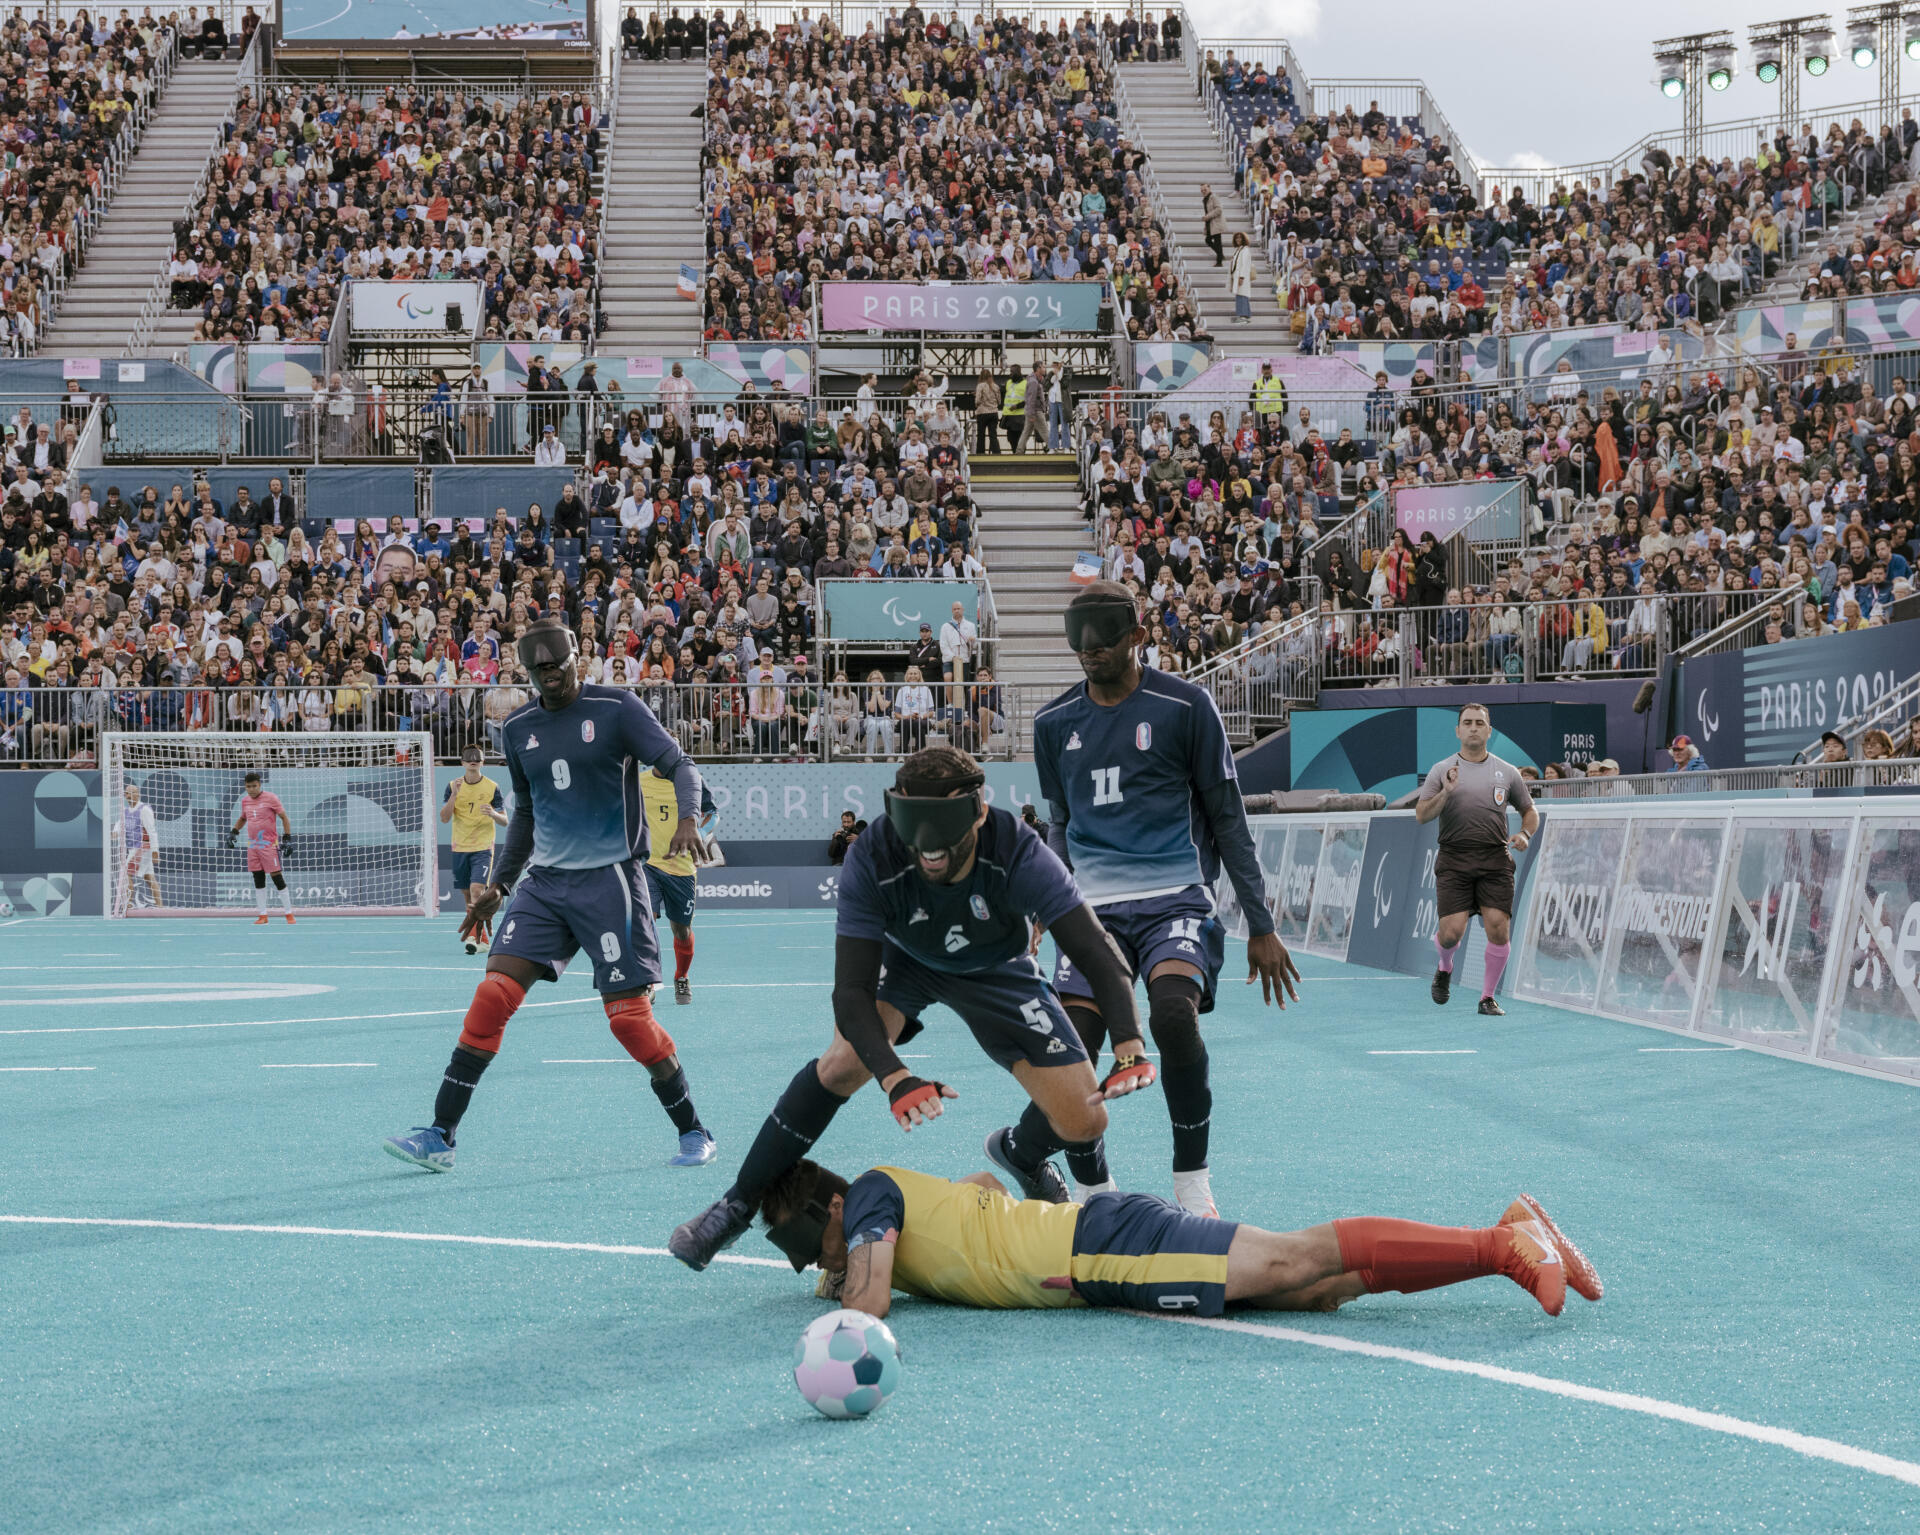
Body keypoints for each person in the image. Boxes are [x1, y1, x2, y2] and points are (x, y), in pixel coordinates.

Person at [667, 747, 1160, 1272]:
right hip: (907, 962)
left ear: (978, 811)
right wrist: (894, 1076)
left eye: (943, 833)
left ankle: (1030, 1158)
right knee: (842, 1062)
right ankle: (737, 1204)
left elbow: (1094, 950)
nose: (929, 853)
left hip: (998, 970)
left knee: (1085, 1118)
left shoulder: (1020, 850)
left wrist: (1129, 1039)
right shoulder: (873, 853)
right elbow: (850, 992)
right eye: (915, 830)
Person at [383, 617, 716, 1174]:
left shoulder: (618, 709)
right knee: (491, 997)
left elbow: (679, 764)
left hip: (611, 881)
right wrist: (501, 885)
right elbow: (529, 813)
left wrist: (688, 818)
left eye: (557, 667)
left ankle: (694, 1130)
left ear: (575, 660)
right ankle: (440, 1135)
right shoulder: (517, 730)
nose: (549, 678)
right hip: (544, 884)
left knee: (629, 1021)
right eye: (538, 672)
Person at [1034, 582, 1300, 1216]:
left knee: (1173, 1018)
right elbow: (1059, 826)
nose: (1091, 655)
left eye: (1103, 641)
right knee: (1077, 1048)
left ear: (1136, 636)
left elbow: (1227, 819)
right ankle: (1097, 1192)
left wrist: (1260, 925)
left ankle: (1192, 1183)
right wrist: (1043, 909)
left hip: (1175, 899)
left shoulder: (1185, 706)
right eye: (1081, 646)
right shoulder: (1052, 723)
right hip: (1089, 912)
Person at [757, 1158, 1602, 1322]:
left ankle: (1504, 1245)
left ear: (833, 1208)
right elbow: (976, 1190)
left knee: (1292, 1257)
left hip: (1105, 1245)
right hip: (1103, 1264)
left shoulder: (867, 1188)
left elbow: (867, 1304)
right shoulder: (889, 1205)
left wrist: (849, 1293)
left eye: (809, 1246)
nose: (813, 1264)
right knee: (1318, 1288)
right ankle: (1498, 1234)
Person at [1415, 703, 1538, 1017]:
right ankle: (1445, 968)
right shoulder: (1441, 770)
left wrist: (1525, 834)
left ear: (1488, 731)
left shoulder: (1507, 772)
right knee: (1450, 933)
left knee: (1498, 928)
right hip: (1454, 860)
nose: (1473, 728)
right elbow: (1422, 815)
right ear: (1457, 731)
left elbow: (1529, 811)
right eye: (1467, 723)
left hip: (1495, 859)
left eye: (1479, 723)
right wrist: (1446, 792)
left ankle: (1487, 997)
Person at [641, 762, 718, 1004]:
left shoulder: (691, 779)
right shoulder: (638, 781)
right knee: (645, 920)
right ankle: (648, 981)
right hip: (647, 863)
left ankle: (681, 977)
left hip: (682, 868)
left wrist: (700, 835)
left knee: (681, 931)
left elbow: (712, 813)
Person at [441, 744, 509, 955]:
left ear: (482, 762)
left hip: (482, 847)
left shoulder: (492, 787)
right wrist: (454, 795)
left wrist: (493, 814)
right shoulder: (453, 785)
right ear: (462, 762)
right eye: (468, 758)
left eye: (477, 758)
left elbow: (505, 821)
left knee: (477, 891)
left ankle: (479, 938)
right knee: (468, 898)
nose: (473, 760)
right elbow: (444, 818)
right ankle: (479, 938)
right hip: (460, 846)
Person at [230, 772, 294, 925]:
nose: (251, 789)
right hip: (253, 846)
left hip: (269, 845)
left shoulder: (271, 798)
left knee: (277, 877)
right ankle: (263, 915)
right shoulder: (245, 801)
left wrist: (287, 837)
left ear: (259, 785)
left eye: (254, 786)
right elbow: (243, 818)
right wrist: (234, 831)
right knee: (258, 879)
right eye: (248, 787)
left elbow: (284, 817)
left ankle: (289, 914)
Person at [114, 780, 163, 915]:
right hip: (133, 848)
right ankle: (160, 907)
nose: (129, 795)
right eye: (127, 793)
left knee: (125, 874)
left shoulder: (144, 809)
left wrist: (155, 850)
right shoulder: (125, 811)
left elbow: (152, 830)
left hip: (142, 847)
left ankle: (127, 906)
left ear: (137, 794)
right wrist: (114, 833)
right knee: (149, 878)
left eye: (132, 792)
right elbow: (119, 826)